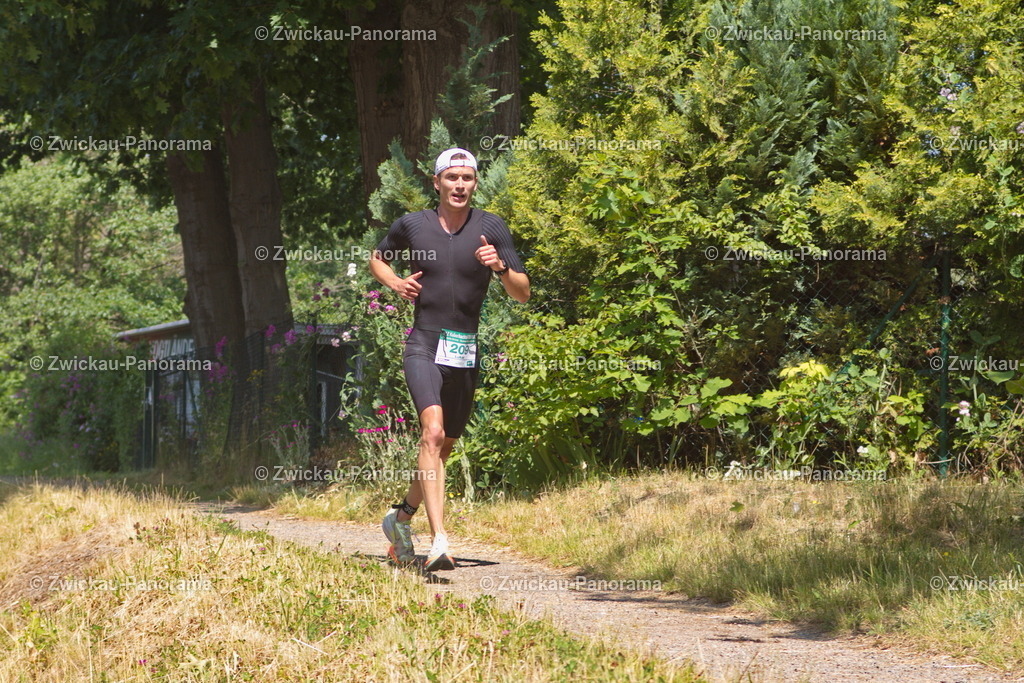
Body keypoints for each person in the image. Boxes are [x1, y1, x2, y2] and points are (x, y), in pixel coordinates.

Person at [370, 147, 530, 571]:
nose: (460, 185)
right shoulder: (412, 225)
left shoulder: (490, 227)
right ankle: (439, 540)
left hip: (464, 351)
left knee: (442, 451)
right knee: (433, 433)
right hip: (423, 344)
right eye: (452, 178)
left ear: (475, 183)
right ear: (437, 182)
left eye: (468, 178)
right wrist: (394, 283)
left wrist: (499, 267)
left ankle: (399, 518)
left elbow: (523, 292)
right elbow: (376, 257)